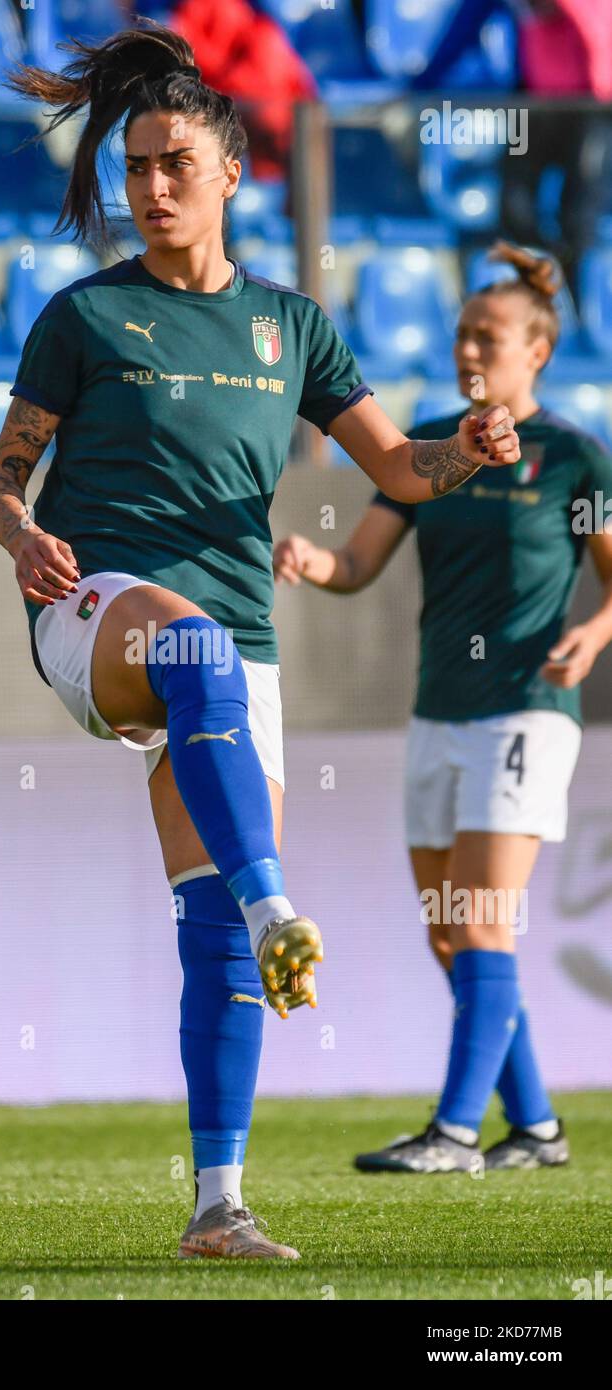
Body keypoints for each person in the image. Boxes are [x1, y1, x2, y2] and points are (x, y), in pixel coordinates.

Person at [0, 21, 519, 1257]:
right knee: (195, 662)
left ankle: (217, 1204)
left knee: (209, 918)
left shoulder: (292, 327)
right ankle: (284, 909)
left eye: (173, 163)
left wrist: (468, 450)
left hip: (236, 643)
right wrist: (17, 536)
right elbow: (1, 479)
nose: (150, 186)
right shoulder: (83, 316)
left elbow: (399, 467)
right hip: (92, 608)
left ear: (230, 171)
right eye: (133, 167)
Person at [274, 242, 612, 1174]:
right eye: (463, 335)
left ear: (536, 352)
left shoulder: (572, 458)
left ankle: (455, 1132)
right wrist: (316, 562)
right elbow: (361, 565)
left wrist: (593, 633)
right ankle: (536, 1126)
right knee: (446, 930)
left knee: (481, 921)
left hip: (525, 708)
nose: (471, 351)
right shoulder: (433, 446)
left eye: (489, 337)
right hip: (440, 710)